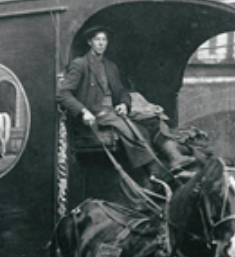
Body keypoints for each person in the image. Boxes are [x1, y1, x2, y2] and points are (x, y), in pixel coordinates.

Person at [56, 25, 195, 179]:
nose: (101, 43)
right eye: (97, 40)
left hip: (113, 111)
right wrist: (83, 112)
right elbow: (63, 94)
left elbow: (122, 92)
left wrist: (124, 104)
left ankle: (175, 158)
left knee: (152, 120)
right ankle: (154, 170)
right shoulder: (80, 64)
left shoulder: (111, 66)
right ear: (90, 42)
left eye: (104, 40)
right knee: (132, 132)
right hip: (95, 114)